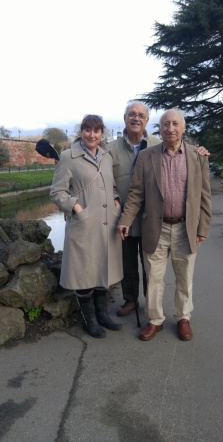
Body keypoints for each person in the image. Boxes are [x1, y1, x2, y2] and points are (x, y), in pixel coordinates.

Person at [117, 108, 212, 341]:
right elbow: (136, 193)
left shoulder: (197, 156)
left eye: (175, 124)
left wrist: (203, 228)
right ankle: (155, 320)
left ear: (183, 128)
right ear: (159, 128)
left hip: (185, 228)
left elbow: (204, 196)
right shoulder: (147, 156)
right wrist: (125, 220)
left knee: (184, 278)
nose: (170, 128)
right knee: (155, 279)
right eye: (166, 124)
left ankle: (183, 318)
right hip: (155, 229)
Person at [50, 114, 123, 338]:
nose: (92, 135)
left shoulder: (107, 157)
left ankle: (102, 315)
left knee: (102, 268)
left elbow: (109, 184)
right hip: (83, 225)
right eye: (88, 130)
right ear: (81, 131)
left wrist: (116, 200)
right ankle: (89, 320)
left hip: (106, 223)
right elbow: (57, 192)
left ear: (102, 134)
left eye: (97, 131)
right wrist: (76, 208)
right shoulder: (68, 157)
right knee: (84, 272)